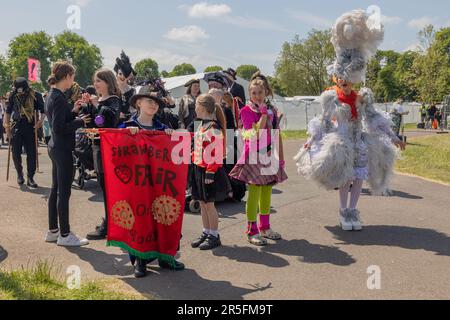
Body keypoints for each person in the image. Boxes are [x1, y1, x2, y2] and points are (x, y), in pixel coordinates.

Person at [295, 9, 406, 232]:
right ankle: (343, 210)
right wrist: (311, 141)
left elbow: (374, 119)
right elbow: (324, 122)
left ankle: (353, 210)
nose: (346, 83)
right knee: (346, 178)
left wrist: (394, 138)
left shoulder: (362, 96)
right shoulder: (331, 97)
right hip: (341, 142)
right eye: (342, 79)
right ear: (337, 77)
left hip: (359, 143)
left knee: (358, 178)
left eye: (349, 80)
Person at [119, 84, 185, 277]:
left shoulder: (163, 128)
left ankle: (166, 257)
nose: (154, 105)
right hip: (137, 185)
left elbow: (175, 154)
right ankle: (140, 260)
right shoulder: (127, 127)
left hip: (160, 183)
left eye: (156, 103)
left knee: (165, 216)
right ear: (138, 103)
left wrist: (171, 137)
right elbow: (117, 153)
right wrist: (126, 137)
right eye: (149, 101)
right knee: (141, 220)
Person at [229, 79, 288, 246]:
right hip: (253, 155)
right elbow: (253, 134)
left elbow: (276, 135)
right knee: (254, 193)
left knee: (267, 192)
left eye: (260, 92)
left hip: (269, 155)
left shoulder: (272, 111)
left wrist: (281, 158)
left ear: (266, 93)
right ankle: (252, 231)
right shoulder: (246, 111)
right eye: (253, 93)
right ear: (249, 94)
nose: (257, 96)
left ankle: (265, 227)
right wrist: (262, 115)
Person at [45, 61, 91, 247]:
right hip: (62, 148)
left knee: (56, 189)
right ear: (67, 76)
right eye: (73, 76)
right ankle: (64, 234)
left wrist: (74, 111)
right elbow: (59, 127)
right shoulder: (58, 97)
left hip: (55, 147)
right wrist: (80, 121)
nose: (74, 80)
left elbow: (61, 119)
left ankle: (53, 230)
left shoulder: (53, 94)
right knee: (63, 192)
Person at [191, 94, 232, 250]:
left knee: (209, 205)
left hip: (209, 172)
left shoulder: (213, 127)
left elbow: (216, 152)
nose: (194, 108)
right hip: (198, 168)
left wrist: (210, 172)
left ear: (202, 107)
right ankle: (206, 232)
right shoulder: (202, 125)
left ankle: (214, 235)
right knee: (202, 203)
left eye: (196, 105)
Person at [86, 69, 123, 240]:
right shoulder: (100, 100)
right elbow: (93, 121)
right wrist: (86, 106)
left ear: (108, 82)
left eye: (99, 81)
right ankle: (110, 222)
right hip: (96, 146)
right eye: (95, 81)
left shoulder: (114, 100)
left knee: (108, 187)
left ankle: (110, 225)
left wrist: (95, 106)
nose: (96, 84)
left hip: (107, 149)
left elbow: (106, 121)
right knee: (103, 186)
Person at [3, 78, 45, 188]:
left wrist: (40, 121)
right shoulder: (13, 95)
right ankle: (19, 174)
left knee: (31, 153)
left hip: (31, 126)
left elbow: (43, 110)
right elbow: (8, 112)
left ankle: (30, 177)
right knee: (16, 152)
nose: (19, 91)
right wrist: (7, 128)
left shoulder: (36, 95)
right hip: (16, 126)